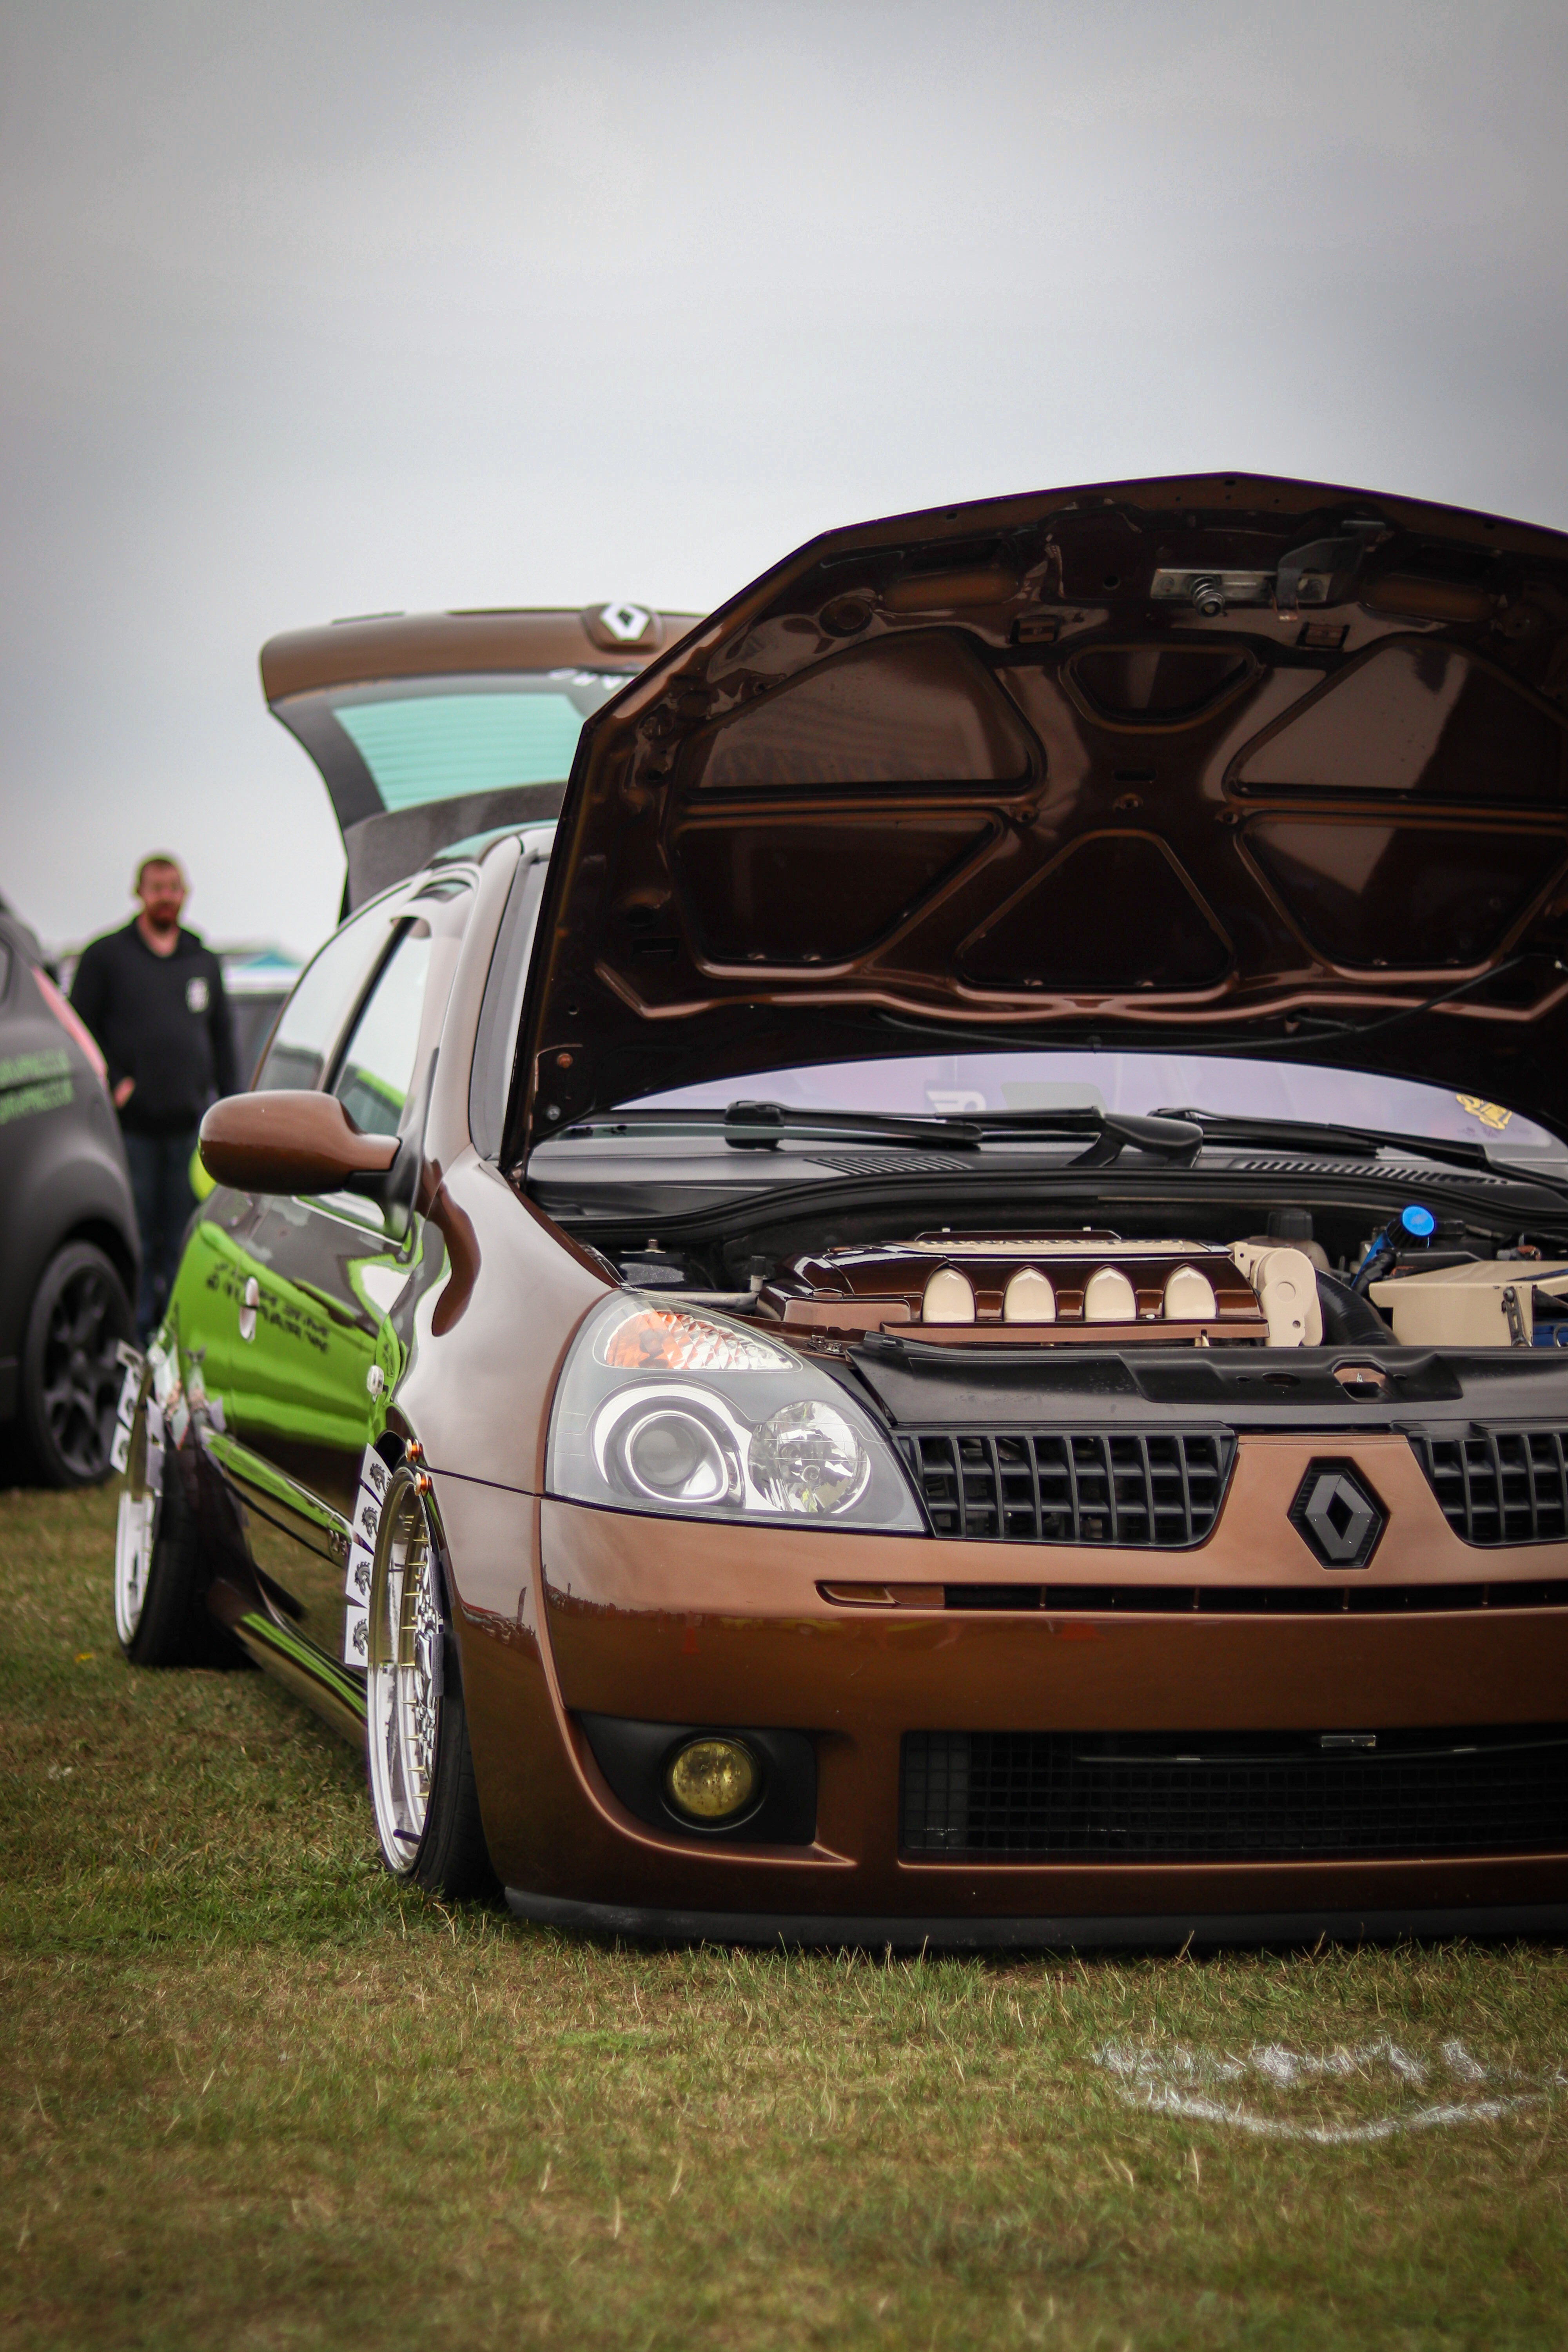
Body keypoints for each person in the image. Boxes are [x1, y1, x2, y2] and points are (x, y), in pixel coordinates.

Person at [72, 855, 238, 1338]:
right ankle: (136, 1334)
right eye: (157, 887)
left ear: (185, 893)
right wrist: (117, 1080)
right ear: (139, 893)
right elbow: (78, 1027)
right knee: (137, 1239)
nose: (166, 896)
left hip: (190, 1132)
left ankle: (179, 1331)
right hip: (131, 1133)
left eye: (174, 887)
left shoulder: (202, 960)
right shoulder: (106, 957)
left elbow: (223, 1040)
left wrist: (234, 1109)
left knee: (187, 1238)